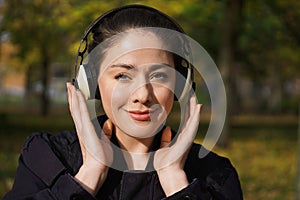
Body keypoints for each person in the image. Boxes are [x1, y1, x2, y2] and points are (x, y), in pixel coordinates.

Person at [4, 4, 243, 200]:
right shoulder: (48, 157)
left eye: (158, 76)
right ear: (91, 83)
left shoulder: (214, 174)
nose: (142, 95)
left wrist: (175, 181)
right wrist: (89, 176)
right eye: (123, 76)